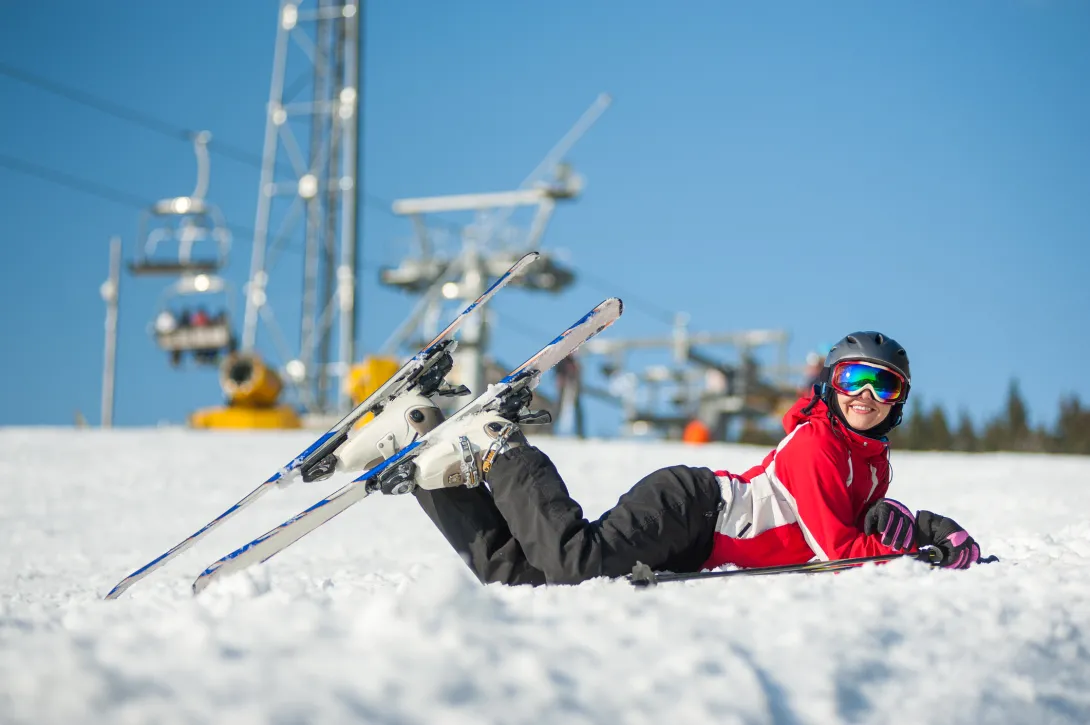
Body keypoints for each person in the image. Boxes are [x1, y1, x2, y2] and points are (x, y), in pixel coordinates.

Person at [334, 331, 983, 585]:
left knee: (521, 578)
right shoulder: (818, 444)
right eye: (853, 381)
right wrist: (912, 552)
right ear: (829, 386)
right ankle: (500, 444)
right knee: (577, 561)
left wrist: (922, 528)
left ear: (899, 400)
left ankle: (419, 448)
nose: (866, 397)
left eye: (884, 386)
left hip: (694, 542)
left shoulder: (870, 462)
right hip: (693, 507)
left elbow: (869, 521)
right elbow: (834, 546)